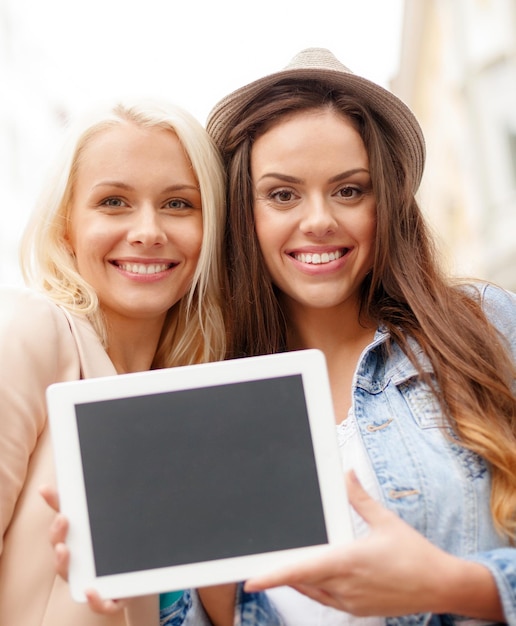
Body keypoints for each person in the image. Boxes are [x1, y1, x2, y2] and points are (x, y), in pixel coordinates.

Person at [170, 47, 515, 625]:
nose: (319, 220)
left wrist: (455, 585)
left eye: (350, 190)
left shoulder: (484, 327)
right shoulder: (206, 402)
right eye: (282, 194)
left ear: (386, 202)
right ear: (242, 210)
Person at [0, 97, 226, 626]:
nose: (148, 230)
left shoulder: (198, 398)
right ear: (65, 228)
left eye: (178, 204)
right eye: (114, 202)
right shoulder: (33, 335)